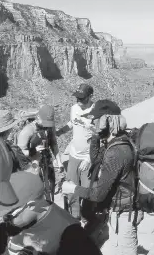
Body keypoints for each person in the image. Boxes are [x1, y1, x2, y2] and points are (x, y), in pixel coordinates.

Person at [61, 99, 142, 255]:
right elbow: (96, 158)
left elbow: (98, 194)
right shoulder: (116, 141)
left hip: (125, 213)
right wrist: (95, 136)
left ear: (108, 120)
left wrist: (73, 188)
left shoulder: (116, 152)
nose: (93, 121)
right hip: (118, 209)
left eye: (96, 119)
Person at [0, 138, 101, 255]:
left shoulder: (72, 237)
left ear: (32, 205)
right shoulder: (11, 224)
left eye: (8, 216)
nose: (4, 221)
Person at [16, 105, 63, 202]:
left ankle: (50, 206)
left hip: (47, 161)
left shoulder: (50, 126)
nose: (47, 125)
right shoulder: (27, 131)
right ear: (38, 118)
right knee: (37, 193)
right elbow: (19, 154)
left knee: (50, 188)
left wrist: (59, 161)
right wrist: (34, 150)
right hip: (33, 165)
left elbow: (53, 143)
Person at [65, 83, 95, 220]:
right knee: (71, 188)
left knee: (86, 189)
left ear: (90, 97)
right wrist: (60, 131)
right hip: (74, 154)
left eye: (82, 99)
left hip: (87, 158)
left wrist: (89, 159)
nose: (78, 101)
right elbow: (72, 122)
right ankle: (74, 217)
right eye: (77, 98)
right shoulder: (74, 108)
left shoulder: (96, 113)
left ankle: (87, 218)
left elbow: (99, 138)